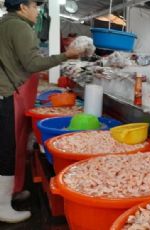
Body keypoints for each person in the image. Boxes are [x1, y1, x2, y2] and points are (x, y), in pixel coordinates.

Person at [0, 0, 83, 223]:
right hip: (4, 94)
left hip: (6, 90)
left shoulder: (6, 23)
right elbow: (32, 63)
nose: (38, 12)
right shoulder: (18, 26)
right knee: (6, 147)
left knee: (9, 145)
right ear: (23, 6)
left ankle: (10, 194)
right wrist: (68, 55)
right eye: (35, 7)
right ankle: (2, 206)